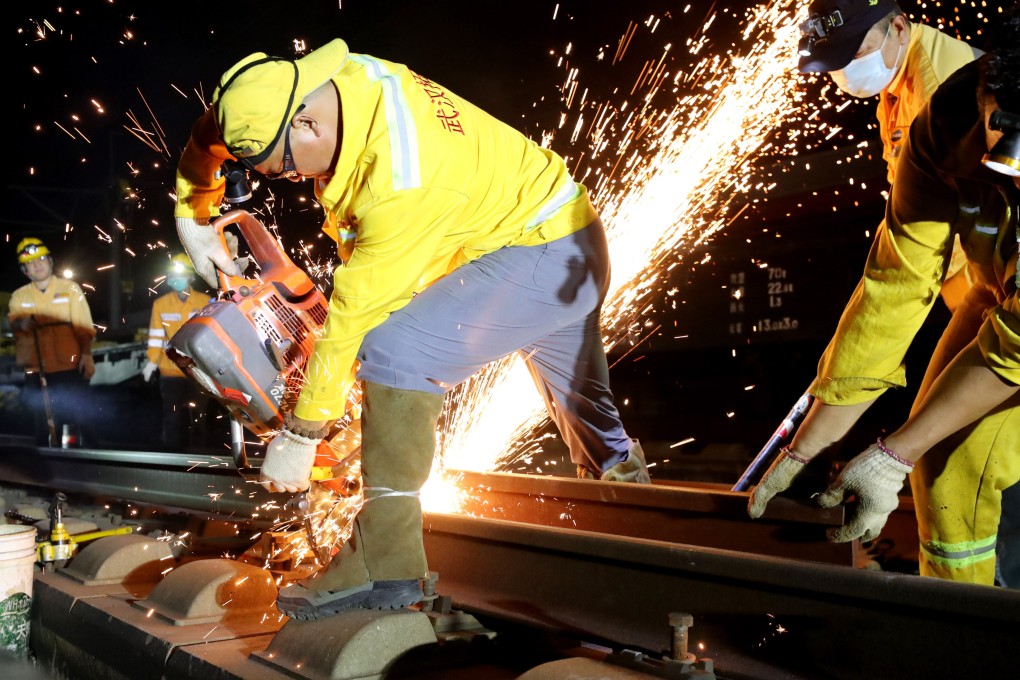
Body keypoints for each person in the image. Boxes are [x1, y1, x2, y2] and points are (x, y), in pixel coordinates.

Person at [174, 38, 651, 618]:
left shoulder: (401, 179)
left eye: (290, 169)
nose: (296, 182)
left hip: (542, 255)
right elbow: (212, 133)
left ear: (306, 125)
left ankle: (385, 561)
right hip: (566, 237)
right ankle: (632, 510)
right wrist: (194, 210)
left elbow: (355, 314)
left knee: (395, 351)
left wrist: (301, 436)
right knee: (584, 405)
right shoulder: (325, 84)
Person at [748, 3, 1020, 586]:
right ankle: (964, 632)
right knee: (945, 467)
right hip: (997, 288)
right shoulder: (943, 118)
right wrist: (809, 441)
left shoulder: (937, 76)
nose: (1006, 162)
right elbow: (895, 284)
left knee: (936, 450)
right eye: (1001, 131)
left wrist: (894, 452)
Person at [797, 0, 983, 310]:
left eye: (854, 55)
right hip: (962, 271)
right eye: (837, 61)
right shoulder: (899, 75)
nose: (844, 72)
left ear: (898, 28)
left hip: (982, 272)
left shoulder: (937, 90)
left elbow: (933, 223)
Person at [7, 238, 95, 446]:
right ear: (25, 270)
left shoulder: (70, 289)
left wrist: (87, 355)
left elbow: (83, 325)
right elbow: (13, 320)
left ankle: (93, 463)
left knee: (83, 417)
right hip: (37, 368)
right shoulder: (19, 296)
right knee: (41, 421)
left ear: (50, 261)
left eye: (41, 259)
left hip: (70, 365)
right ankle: (44, 468)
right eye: (31, 262)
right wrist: (21, 323)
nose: (37, 265)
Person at [141, 253, 214, 451]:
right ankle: (172, 457)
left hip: (198, 370)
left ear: (190, 277)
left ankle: (201, 457)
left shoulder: (205, 302)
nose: (176, 279)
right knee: (171, 417)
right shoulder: (161, 304)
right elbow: (156, 337)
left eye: (180, 275)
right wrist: (151, 362)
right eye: (172, 275)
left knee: (199, 416)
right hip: (170, 370)